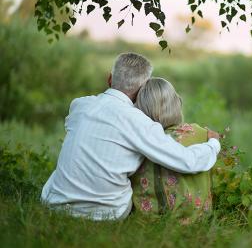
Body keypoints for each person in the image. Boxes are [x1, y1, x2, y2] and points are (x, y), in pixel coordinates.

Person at [41, 53, 221, 220]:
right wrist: (213, 142)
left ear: (109, 78)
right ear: (143, 89)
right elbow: (186, 161)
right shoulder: (139, 122)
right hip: (106, 213)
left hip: (54, 203)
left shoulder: (79, 105)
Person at [131, 78, 214, 223]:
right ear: (176, 103)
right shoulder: (200, 133)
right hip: (200, 218)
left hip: (149, 219)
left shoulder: (139, 139)